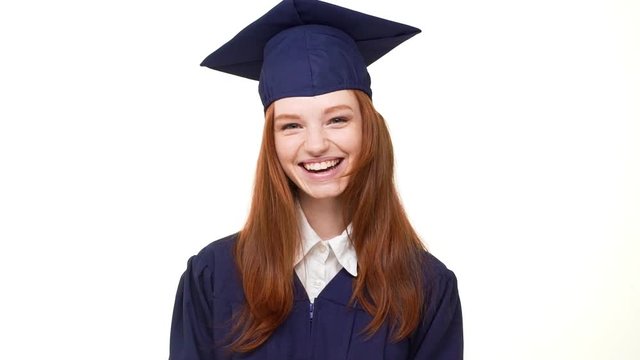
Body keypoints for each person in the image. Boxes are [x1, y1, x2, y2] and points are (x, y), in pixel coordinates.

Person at [169, 0, 463, 359]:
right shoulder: (213, 276)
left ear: (368, 129)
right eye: (291, 125)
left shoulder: (426, 287)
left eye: (337, 119)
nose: (316, 144)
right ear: (272, 141)